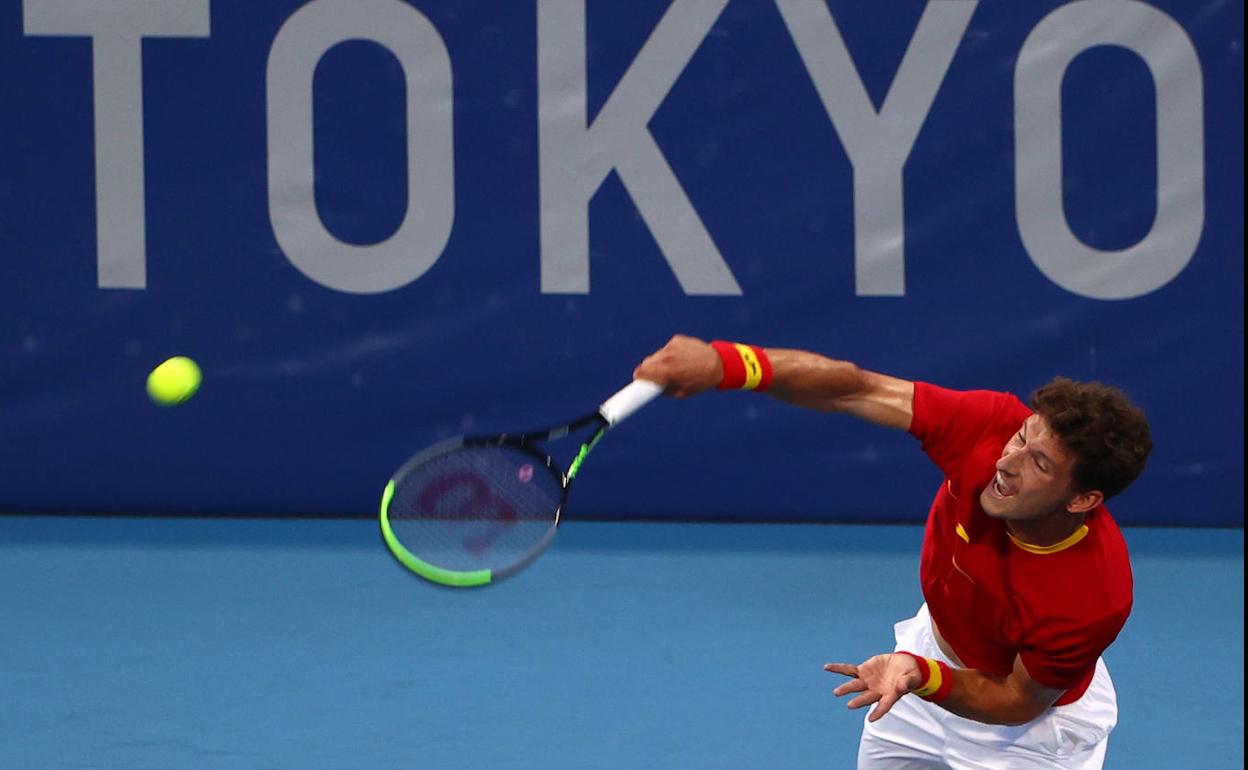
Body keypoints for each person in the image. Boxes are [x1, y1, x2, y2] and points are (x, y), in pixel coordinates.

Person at [633, 335, 1152, 770]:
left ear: (1084, 499)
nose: (1007, 461)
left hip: (1026, 737)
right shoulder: (987, 428)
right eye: (1020, 437)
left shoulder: (1090, 595)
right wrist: (729, 364)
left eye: (1038, 462)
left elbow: (1017, 701)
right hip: (929, 657)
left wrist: (920, 676)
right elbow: (854, 389)